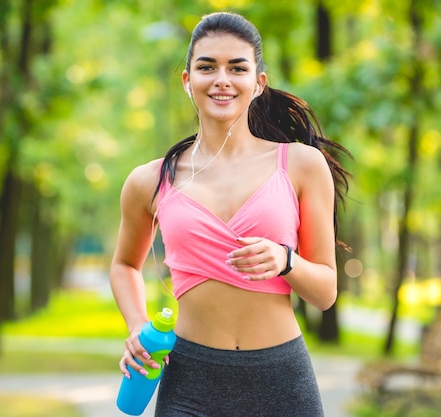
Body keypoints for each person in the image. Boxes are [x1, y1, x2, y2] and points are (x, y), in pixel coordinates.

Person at [110, 11, 350, 417]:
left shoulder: (302, 166)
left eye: (237, 67)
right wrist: (137, 326)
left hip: (281, 382)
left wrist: (285, 261)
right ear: (188, 81)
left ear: (258, 84)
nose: (222, 78)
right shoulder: (149, 180)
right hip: (190, 382)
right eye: (207, 67)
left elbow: (325, 292)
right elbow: (124, 264)